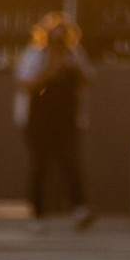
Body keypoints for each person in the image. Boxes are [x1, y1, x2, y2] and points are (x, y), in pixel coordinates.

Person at [14, 14, 90, 223]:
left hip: (66, 118)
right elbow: (25, 84)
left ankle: (79, 208)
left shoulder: (74, 54)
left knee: (70, 162)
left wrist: (73, 67)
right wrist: (48, 73)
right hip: (38, 119)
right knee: (40, 164)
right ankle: (37, 212)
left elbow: (86, 80)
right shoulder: (34, 55)